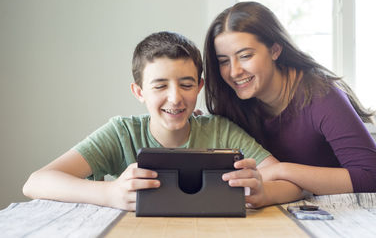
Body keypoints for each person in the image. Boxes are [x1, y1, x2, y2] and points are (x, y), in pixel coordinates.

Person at [23, 31, 303, 211]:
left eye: (186, 85)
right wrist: (109, 193)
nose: (175, 98)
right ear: (139, 92)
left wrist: (263, 191)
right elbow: (36, 182)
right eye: (159, 86)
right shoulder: (122, 132)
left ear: (200, 86)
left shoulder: (221, 130)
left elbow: (291, 183)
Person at [203, 1, 376, 195]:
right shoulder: (233, 103)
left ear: (275, 50)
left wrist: (281, 169)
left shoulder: (321, 95)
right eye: (224, 61)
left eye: (245, 56)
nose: (234, 72)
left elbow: (375, 181)